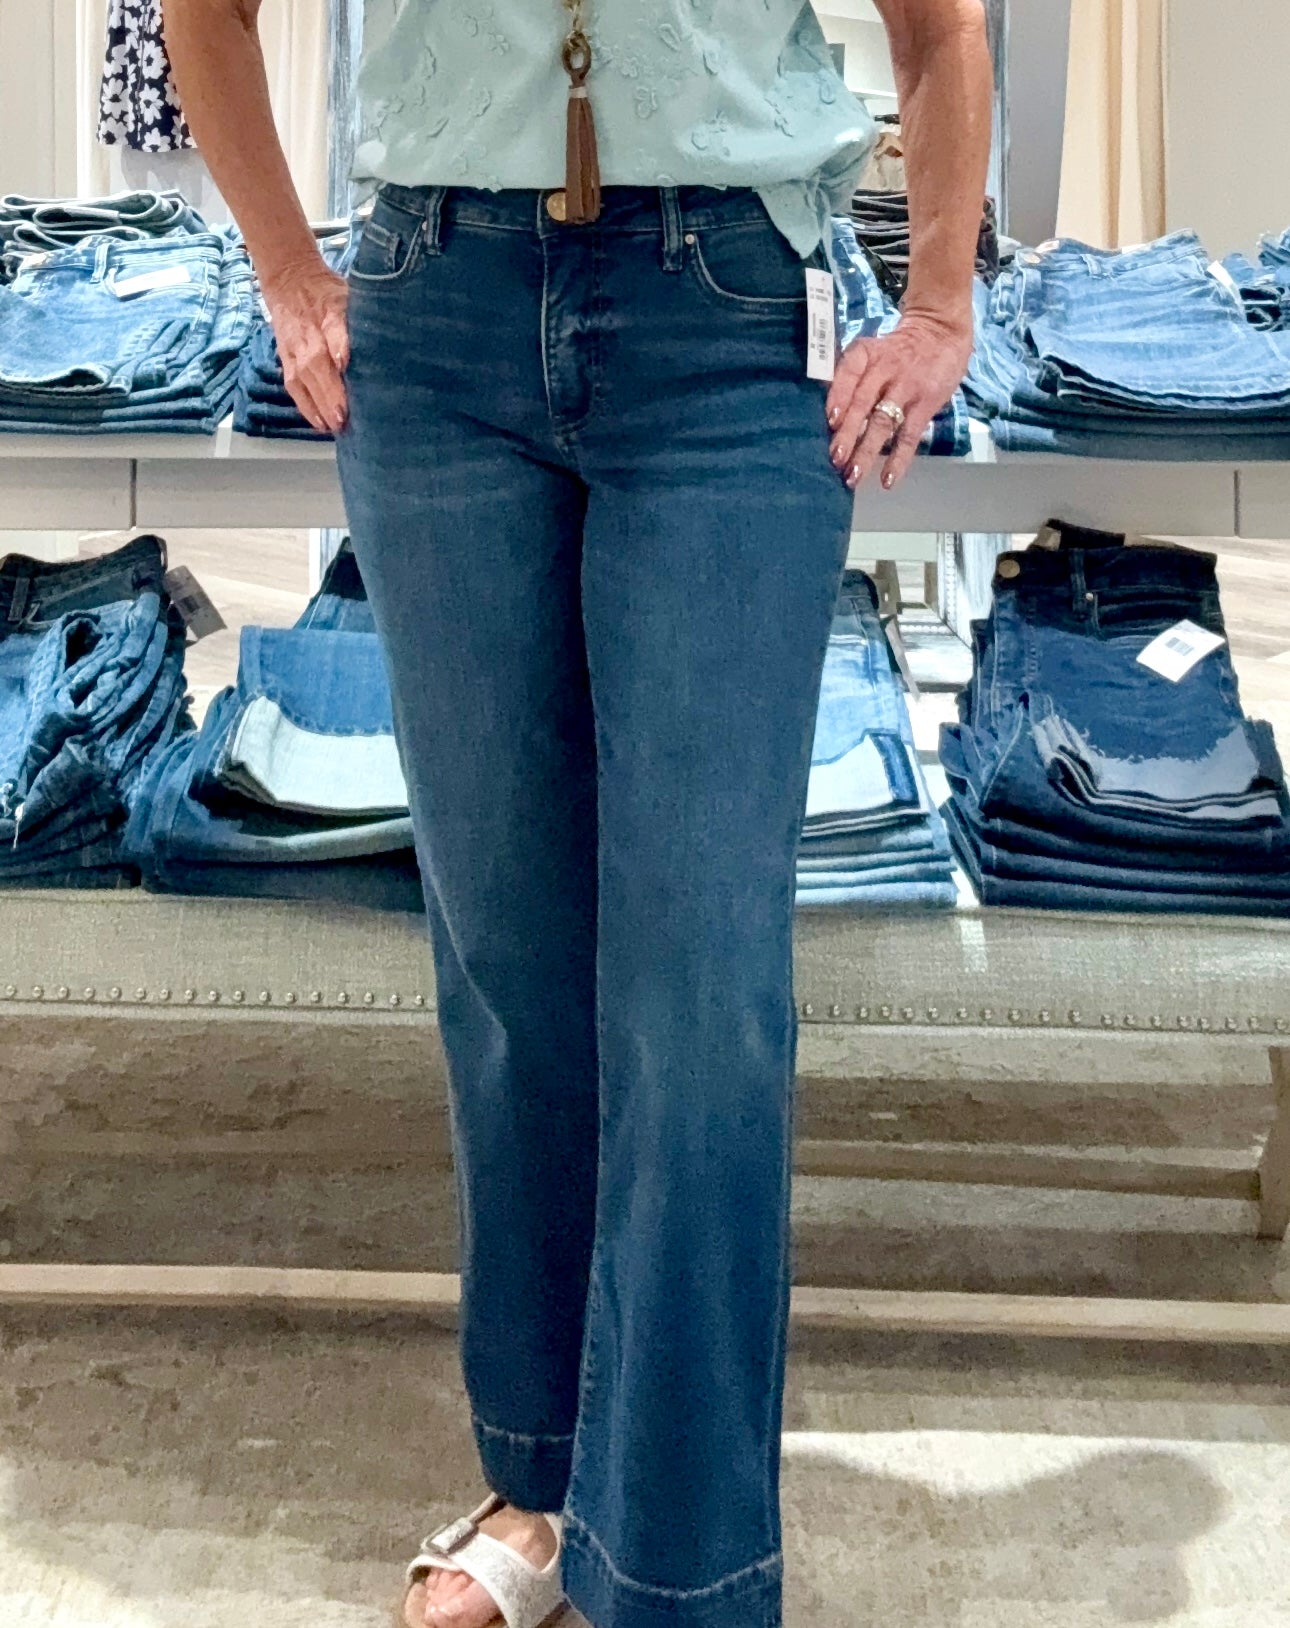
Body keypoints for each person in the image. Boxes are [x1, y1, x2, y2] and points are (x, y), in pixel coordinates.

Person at [164, 3, 992, 1626]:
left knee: (698, 988)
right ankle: (539, 1483)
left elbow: (938, 28)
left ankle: (681, 1570)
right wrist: (284, 271)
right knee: (506, 959)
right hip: (436, 310)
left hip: (729, 322)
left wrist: (940, 309)